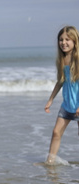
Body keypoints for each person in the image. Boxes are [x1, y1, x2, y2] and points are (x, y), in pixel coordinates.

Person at [44, 25, 79, 164]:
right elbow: (60, 81)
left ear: (75, 41)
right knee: (56, 132)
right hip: (67, 104)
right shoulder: (62, 60)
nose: (63, 42)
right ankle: (50, 161)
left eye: (67, 39)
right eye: (61, 39)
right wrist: (50, 99)